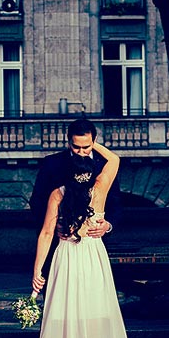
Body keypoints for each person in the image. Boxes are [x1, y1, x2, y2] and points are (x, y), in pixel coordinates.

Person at [25, 141, 143, 338]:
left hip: (66, 259)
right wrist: (92, 145)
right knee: (96, 317)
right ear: (91, 172)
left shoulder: (58, 194)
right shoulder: (99, 189)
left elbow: (45, 235)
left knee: (65, 321)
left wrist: (37, 272)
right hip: (92, 258)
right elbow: (114, 158)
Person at [29, 118, 122, 284]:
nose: (81, 152)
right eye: (76, 146)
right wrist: (56, 223)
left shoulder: (102, 167)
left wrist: (107, 226)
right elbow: (37, 201)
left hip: (94, 245)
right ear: (68, 142)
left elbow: (115, 202)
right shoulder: (52, 163)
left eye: (86, 147)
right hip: (60, 244)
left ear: (93, 141)